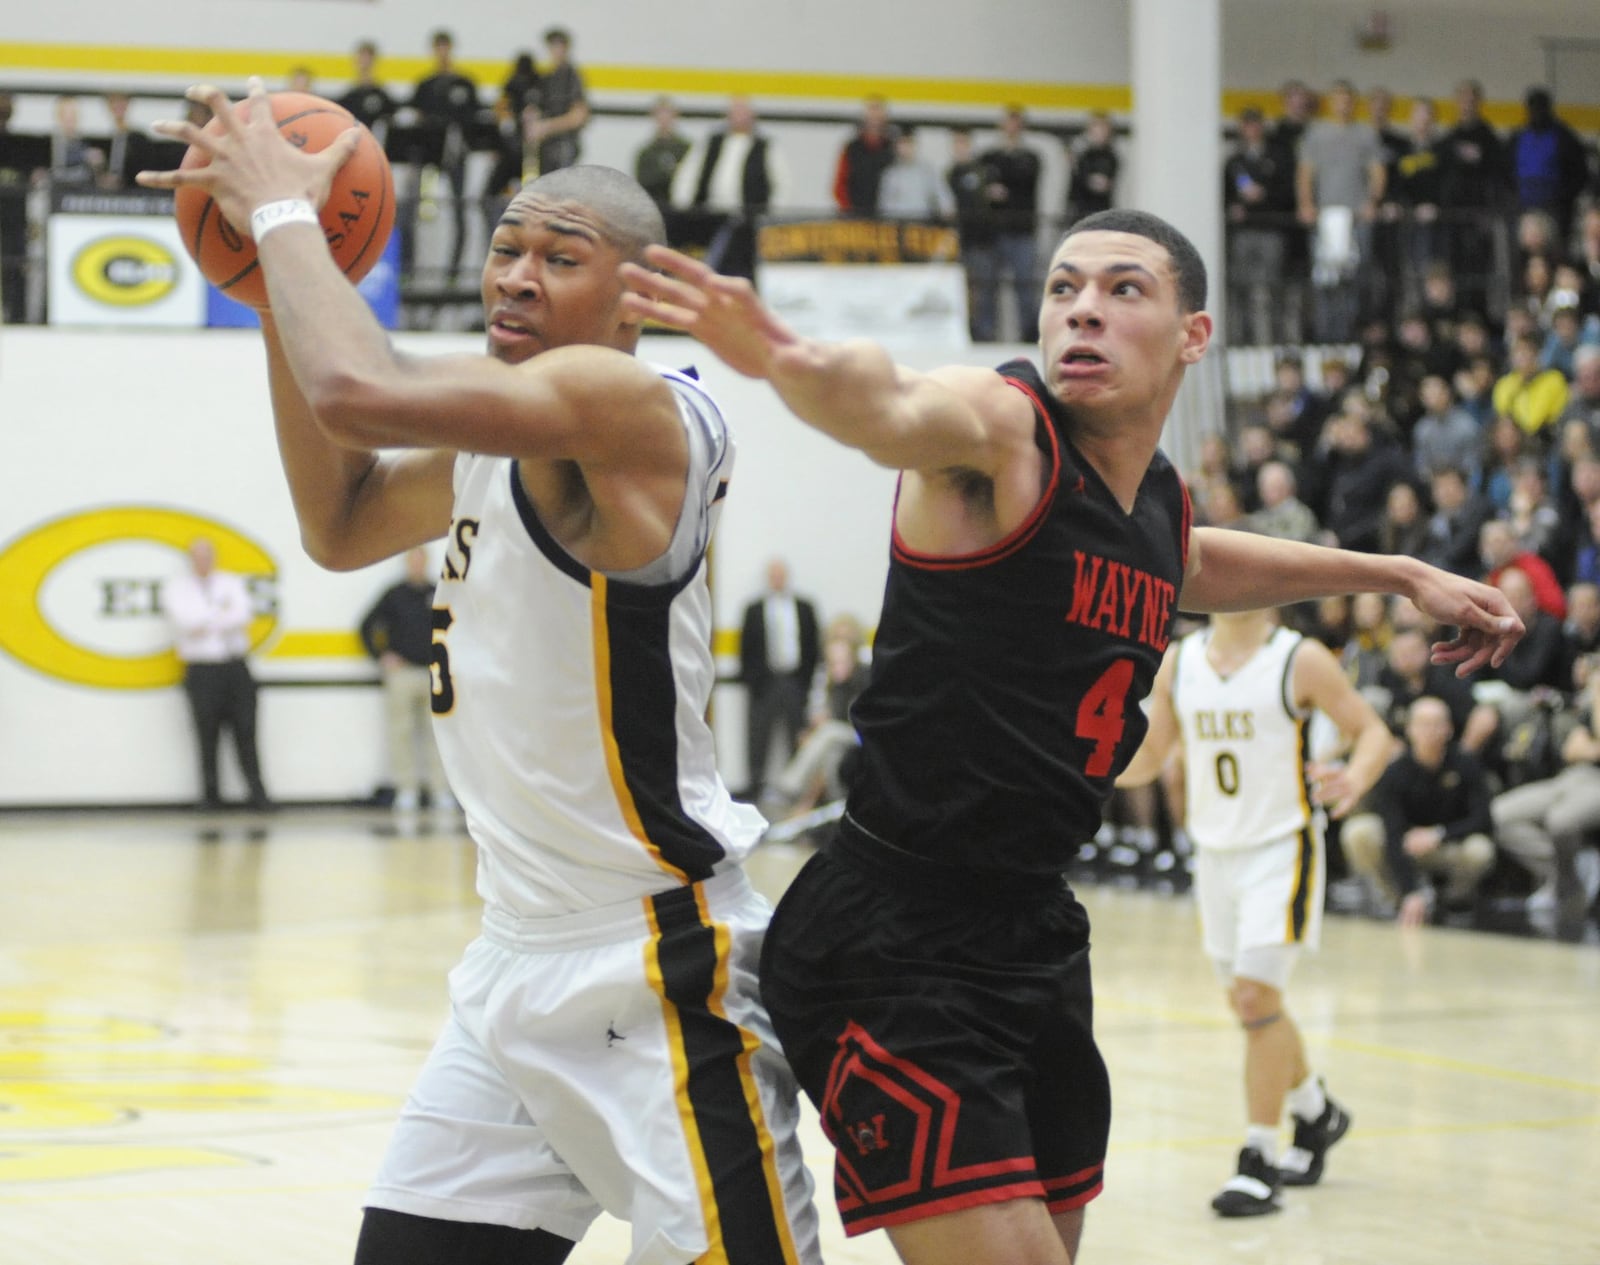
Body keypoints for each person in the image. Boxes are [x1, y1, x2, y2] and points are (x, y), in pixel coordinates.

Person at [621, 206, 1522, 1265]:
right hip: (895, 936)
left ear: (1193, 333)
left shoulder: (1148, 505)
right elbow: (886, 401)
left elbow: (1188, 560)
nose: (1082, 308)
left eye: (1123, 288)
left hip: (1035, 929)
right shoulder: (1002, 430)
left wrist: (1395, 572)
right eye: (1062, 287)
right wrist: (780, 353)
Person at [139, 79, 820, 1265]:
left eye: (560, 256)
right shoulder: (488, 435)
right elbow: (340, 521)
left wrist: (290, 226)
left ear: (638, 297)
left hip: (656, 963)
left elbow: (359, 391)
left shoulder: (635, 406)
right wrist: (264, 290)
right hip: (513, 955)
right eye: (505, 247)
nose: (513, 274)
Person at [1121, 606, 1390, 1215]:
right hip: (1213, 854)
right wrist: (1080, 761)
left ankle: (1260, 1158)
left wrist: (1356, 776)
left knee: (1253, 998)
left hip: (1280, 847)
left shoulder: (1299, 658)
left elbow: (1373, 731)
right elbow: (1152, 752)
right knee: (1253, 1004)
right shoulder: (1180, 661)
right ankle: (1317, 1112)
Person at [1339, 695, 1496, 926]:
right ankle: (1397, 900)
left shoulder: (1466, 764)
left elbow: (1483, 820)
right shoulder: (1395, 772)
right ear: (1410, 729)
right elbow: (1392, 834)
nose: (1430, 731)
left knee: (1480, 850)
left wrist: (1439, 834)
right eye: (1423, 724)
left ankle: (1452, 901)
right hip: (1406, 844)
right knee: (1359, 831)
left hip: (1446, 845)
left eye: (1437, 724)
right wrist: (1410, 891)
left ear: (1449, 729)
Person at [163, 536, 271, 812]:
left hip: (235, 667)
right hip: (201, 670)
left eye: (207, 555)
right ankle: (210, 797)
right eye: (197, 556)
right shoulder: (177, 589)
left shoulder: (231, 582)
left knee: (246, 732)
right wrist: (219, 614)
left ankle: (257, 794)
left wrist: (206, 620)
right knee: (206, 734)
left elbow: (243, 615)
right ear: (191, 559)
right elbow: (185, 622)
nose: (203, 561)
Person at [359, 547, 454, 812]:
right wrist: (381, 655)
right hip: (403, 674)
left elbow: (457, 627)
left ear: (426, 563)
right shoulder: (394, 594)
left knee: (438, 736)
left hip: (435, 673)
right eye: (412, 560)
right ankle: (406, 789)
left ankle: (441, 790)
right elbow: (366, 626)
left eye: (421, 560)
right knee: (401, 732)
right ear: (406, 563)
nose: (416, 565)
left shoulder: (439, 591)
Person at [670, 94, 787, 281]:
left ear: (752, 116)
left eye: (743, 113)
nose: (738, 118)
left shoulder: (766, 146)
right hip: (709, 215)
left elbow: (781, 185)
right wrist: (684, 206)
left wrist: (771, 217)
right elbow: (688, 174)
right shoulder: (712, 142)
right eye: (734, 113)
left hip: (749, 218)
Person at [738, 558, 821, 804]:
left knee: (797, 734)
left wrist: (806, 681)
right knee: (758, 736)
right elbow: (747, 649)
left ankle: (796, 789)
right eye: (772, 575)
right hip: (766, 681)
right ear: (767, 578)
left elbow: (812, 646)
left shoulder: (804, 607)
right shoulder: (754, 609)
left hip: (795, 680)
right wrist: (753, 681)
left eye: (780, 574)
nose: (777, 579)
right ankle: (755, 785)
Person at [407, 28, 480, 283]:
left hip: (456, 157)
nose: (442, 53)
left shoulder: (465, 84)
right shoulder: (425, 86)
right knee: (418, 208)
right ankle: (411, 270)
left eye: (445, 47)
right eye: (438, 48)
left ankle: (455, 272)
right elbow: (415, 118)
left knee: (460, 209)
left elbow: (476, 122)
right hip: (429, 157)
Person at [976, 104, 1043, 342]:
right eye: (1008, 122)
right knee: (987, 286)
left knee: (1025, 285)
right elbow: (981, 183)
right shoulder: (988, 156)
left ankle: (1029, 334)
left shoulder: (1031, 157)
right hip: (993, 231)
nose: (1011, 128)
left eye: (1016, 123)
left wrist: (1005, 189)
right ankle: (986, 333)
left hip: (1022, 230)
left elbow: (1023, 184)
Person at [527, 27, 588, 175]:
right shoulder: (548, 77)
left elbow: (579, 116)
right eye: (552, 45)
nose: (555, 50)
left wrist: (546, 126)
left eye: (559, 45)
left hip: (563, 147)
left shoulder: (571, 76)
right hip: (545, 148)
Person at [833, 94, 897, 217]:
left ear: (885, 116)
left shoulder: (893, 148)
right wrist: (849, 211)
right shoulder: (851, 149)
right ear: (864, 116)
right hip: (855, 219)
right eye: (871, 111)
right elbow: (839, 186)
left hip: (887, 220)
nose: (875, 117)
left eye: (878, 111)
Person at [633, 94, 690, 208]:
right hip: (654, 207)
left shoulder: (686, 149)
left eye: (667, 113)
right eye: (660, 113)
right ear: (654, 116)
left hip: (680, 209)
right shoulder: (646, 152)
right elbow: (642, 184)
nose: (664, 118)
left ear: (674, 115)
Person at [336, 40, 399, 141]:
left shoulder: (382, 95)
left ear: (374, 61)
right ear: (356, 61)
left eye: (368, 58)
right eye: (362, 58)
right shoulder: (349, 96)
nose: (365, 62)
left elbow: (392, 116)